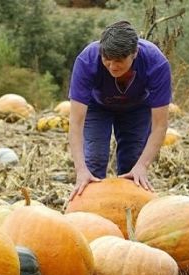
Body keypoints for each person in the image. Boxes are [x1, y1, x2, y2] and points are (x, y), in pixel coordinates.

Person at [68, 20, 172, 200]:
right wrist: (80, 170)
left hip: (138, 108)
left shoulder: (156, 64)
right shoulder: (87, 60)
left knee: (132, 165)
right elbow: (76, 122)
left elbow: (160, 126)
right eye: (107, 59)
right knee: (93, 161)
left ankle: (127, 215)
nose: (112, 66)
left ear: (135, 53)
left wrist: (142, 166)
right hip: (97, 107)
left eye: (119, 61)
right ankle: (92, 215)